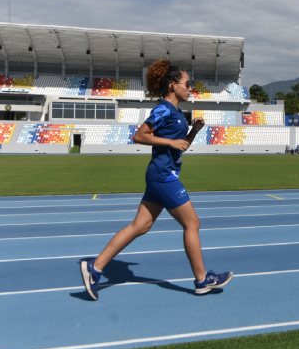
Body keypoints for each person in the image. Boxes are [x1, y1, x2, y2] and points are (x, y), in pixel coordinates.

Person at [80, 60, 233, 300]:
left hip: (161, 174)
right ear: (173, 85)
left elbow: (179, 148)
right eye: (187, 84)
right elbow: (139, 136)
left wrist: (193, 132)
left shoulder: (176, 112)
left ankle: (95, 268)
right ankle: (202, 280)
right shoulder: (163, 109)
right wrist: (170, 142)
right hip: (163, 176)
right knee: (192, 223)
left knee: (140, 226)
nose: (190, 88)